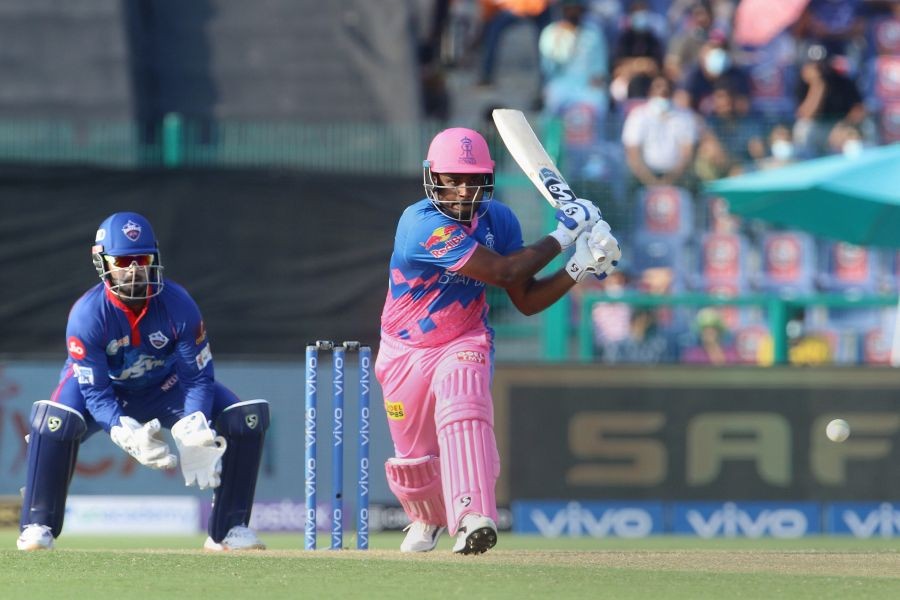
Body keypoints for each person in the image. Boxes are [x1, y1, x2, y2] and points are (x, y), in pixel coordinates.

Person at [375, 127, 620, 554]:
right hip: (404, 349)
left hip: (464, 337)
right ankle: (427, 517)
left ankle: (472, 516)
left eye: (472, 179)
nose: (463, 189)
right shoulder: (420, 224)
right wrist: (565, 235)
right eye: (453, 178)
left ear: (486, 179)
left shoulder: (499, 220)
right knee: (412, 458)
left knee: (463, 405)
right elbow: (503, 273)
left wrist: (579, 268)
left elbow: (523, 297)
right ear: (433, 176)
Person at [17, 212, 269, 551]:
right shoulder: (87, 315)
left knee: (244, 420)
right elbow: (94, 391)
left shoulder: (179, 305)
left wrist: (193, 425)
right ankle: (37, 525)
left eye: (142, 259)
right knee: (53, 422)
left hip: (166, 388)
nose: (134, 270)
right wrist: (122, 430)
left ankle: (228, 531)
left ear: (155, 260)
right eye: (123, 261)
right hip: (107, 392)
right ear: (102, 262)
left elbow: (198, 378)